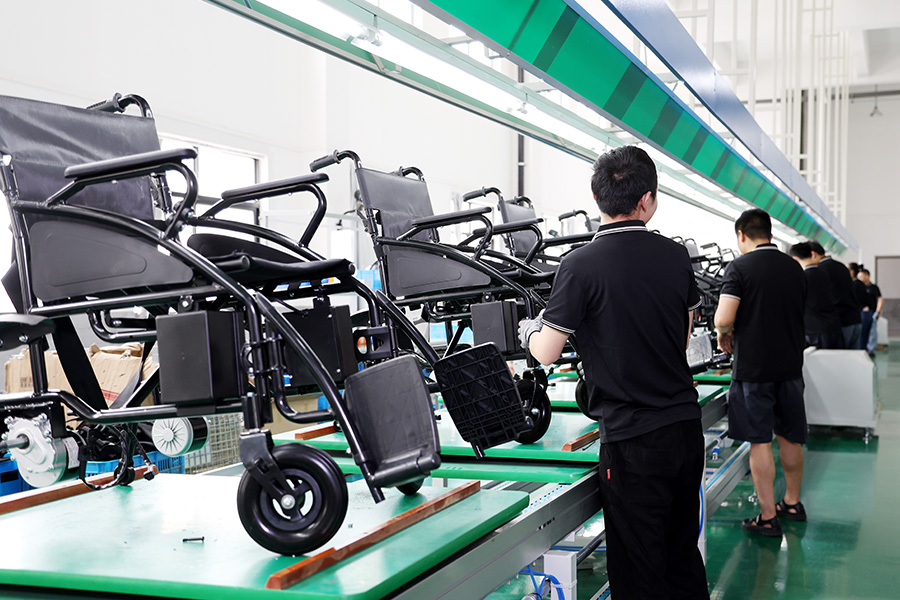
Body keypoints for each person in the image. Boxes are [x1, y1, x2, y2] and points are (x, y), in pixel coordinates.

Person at [517, 145, 709, 599]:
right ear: (647, 199)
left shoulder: (580, 264)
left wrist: (529, 329)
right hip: (684, 429)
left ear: (596, 196)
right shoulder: (675, 256)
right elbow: (682, 340)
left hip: (632, 441)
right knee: (682, 557)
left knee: (639, 572)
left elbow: (546, 352)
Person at [715, 209, 807, 537]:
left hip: (754, 369)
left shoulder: (740, 267)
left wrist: (723, 333)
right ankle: (792, 502)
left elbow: (724, 318)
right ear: (768, 233)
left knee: (760, 441)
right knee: (790, 436)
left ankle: (768, 517)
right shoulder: (795, 268)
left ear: (742, 234)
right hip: (790, 367)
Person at [789, 242, 842, 349]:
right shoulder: (824, 273)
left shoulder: (802, 277)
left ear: (795, 259)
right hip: (833, 326)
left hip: (815, 331)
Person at [811, 242, 860, 349]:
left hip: (841, 322)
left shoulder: (819, 270)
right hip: (855, 319)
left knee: (840, 358)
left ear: (813, 254)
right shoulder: (841, 266)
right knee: (854, 358)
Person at [860, 268, 883, 357]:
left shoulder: (873, 287)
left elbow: (880, 299)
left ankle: (871, 350)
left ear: (867, 276)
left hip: (872, 313)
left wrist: (877, 311)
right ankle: (863, 349)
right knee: (863, 332)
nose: (860, 278)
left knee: (872, 332)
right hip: (862, 314)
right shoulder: (859, 287)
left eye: (861, 276)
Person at [850, 263, 872, 350]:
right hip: (865, 312)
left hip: (862, 313)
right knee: (863, 336)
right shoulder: (860, 284)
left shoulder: (855, 284)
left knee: (861, 337)